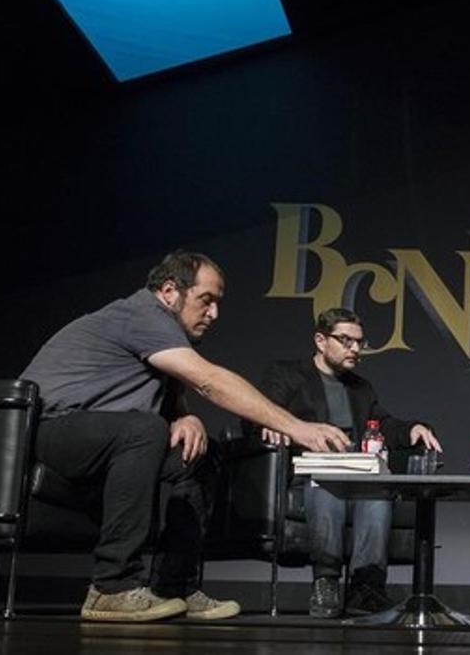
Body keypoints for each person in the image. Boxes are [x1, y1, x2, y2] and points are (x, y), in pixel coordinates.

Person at [21, 251, 350, 622]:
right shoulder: (143, 314)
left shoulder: (163, 332)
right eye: (206, 301)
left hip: (105, 435)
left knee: (197, 453)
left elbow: (167, 392)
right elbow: (209, 381)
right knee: (145, 430)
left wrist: (186, 417)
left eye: (218, 304)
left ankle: (174, 586)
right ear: (168, 292)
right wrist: (298, 427)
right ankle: (110, 588)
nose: (214, 314)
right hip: (51, 432)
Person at [255, 308, 442, 618]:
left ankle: (366, 588)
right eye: (345, 340)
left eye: (359, 342)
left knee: (378, 493)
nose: (355, 349)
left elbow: (382, 423)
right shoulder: (288, 374)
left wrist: (412, 428)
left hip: (358, 475)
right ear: (320, 340)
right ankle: (326, 581)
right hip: (308, 475)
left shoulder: (360, 388)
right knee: (328, 484)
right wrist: (273, 426)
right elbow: (259, 413)